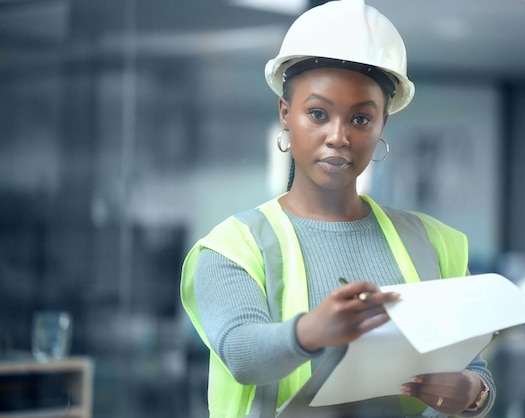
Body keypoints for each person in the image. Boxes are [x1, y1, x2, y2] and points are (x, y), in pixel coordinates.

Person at [180, 0, 496, 416]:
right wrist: (312, 331)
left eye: (361, 119)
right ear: (285, 114)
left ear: (383, 124)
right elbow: (240, 355)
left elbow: (473, 368)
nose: (338, 136)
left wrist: (474, 393)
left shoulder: (434, 242)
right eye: (317, 113)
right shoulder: (233, 247)